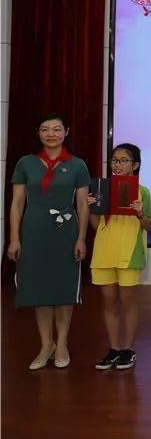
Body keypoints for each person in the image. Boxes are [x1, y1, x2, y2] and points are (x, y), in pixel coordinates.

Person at [7, 114, 90, 370]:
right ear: (38, 133)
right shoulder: (26, 163)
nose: (51, 134)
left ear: (66, 132)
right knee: (39, 289)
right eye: (45, 129)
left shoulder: (77, 165)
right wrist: (14, 238)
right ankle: (46, 345)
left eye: (56, 129)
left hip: (65, 232)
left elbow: (82, 204)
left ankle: (62, 343)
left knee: (63, 289)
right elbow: (17, 203)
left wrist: (81, 238)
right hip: (33, 231)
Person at [89, 143, 151, 371]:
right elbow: (96, 226)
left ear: (135, 165)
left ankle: (128, 349)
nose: (117, 165)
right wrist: (92, 207)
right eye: (115, 160)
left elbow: (149, 224)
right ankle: (114, 349)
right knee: (108, 302)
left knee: (127, 302)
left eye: (123, 160)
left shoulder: (142, 191)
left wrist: (139, 212)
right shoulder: (101, 189)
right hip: (104, 252)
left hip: (129, 253)